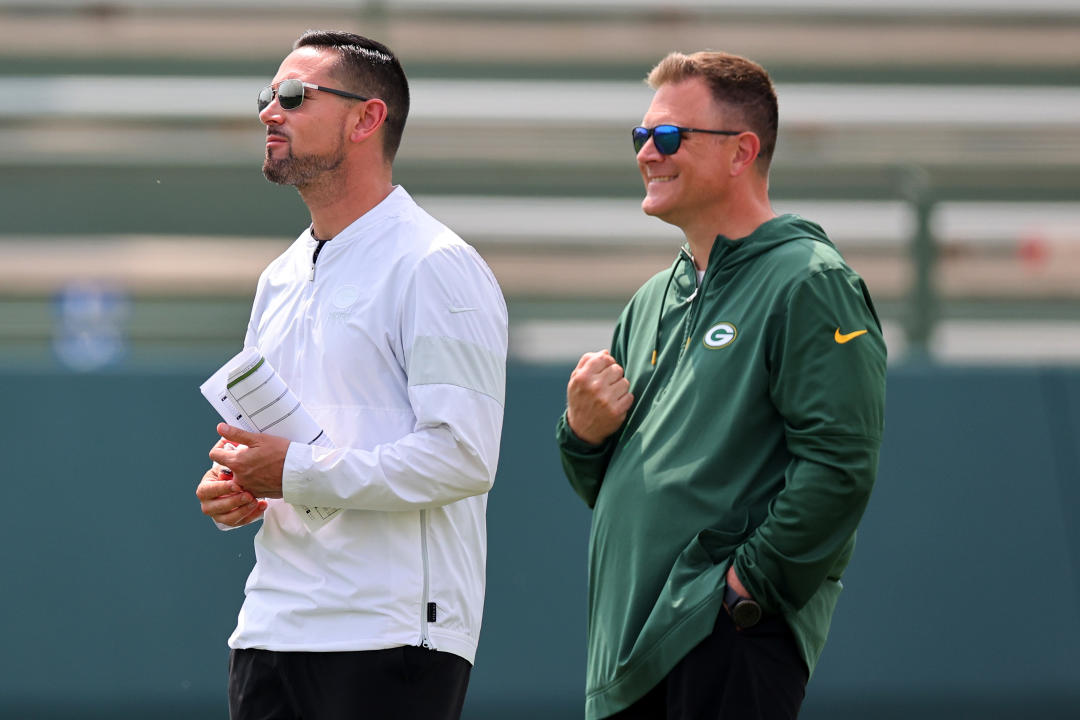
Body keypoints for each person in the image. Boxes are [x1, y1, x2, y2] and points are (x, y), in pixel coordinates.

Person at [556, 51, 887, 720]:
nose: (648, 153)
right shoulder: (651, 298)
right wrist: (581, 435)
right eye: (641, 137)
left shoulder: (810, 281)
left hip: (721, 633)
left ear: (741, 153)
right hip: (627, 650)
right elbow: (616, 483)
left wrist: (746, 590)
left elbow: (839, 467)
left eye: (670, 137)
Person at [194, 30, 507, 720]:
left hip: (389, 633)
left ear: (367, 119)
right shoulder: (278, 277)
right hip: (270, 627)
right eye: (266, 98)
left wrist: (293, 472)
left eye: (294, 96)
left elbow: (463, 456)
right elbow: (274, 451)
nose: (269, 113)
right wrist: (234, 487)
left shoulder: (435, 263)